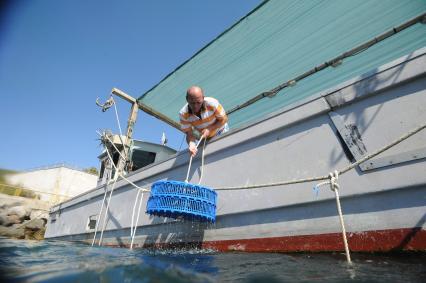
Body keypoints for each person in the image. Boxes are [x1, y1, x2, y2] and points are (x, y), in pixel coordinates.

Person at [179, 86, 229, 156]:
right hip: (205, 138)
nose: (195, 106)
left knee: (226, 152)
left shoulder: (212, 103)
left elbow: (224, 119)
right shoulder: (183, 114)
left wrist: (209, 129)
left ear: (203, 98)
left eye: (198, 102)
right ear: (187, 99)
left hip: (221, 131)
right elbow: (189, 133)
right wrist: (191, 144)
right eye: (192, 103)